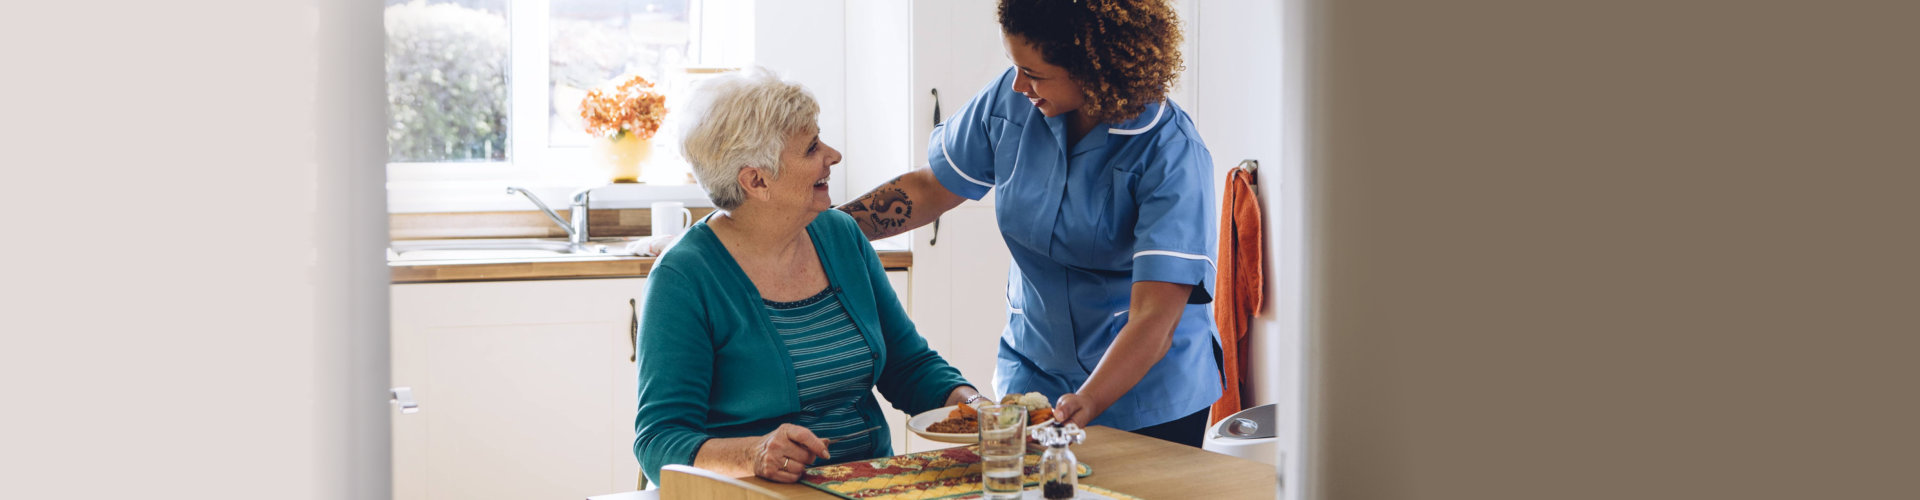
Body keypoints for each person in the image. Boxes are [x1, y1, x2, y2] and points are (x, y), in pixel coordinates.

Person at [836, 0, 1220, 447]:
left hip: (1147, 397)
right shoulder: (1013, 100)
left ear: (1095, 69)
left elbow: (1155, 316)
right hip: (1033, 375)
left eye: (1035, 73)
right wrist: (823, 229)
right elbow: (928, 189)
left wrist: (1090, 400)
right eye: (1015, 66)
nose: (1019, 84)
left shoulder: (1171, 153)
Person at [632, 67, 983, 485]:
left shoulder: (840, 235)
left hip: (865, 484)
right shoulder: (685, 276)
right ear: (756, 180)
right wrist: (755, 453)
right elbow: (659, 440)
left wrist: (975, 406)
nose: (833, 155)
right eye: (812, 147)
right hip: (755, 494)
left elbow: (908, 367)